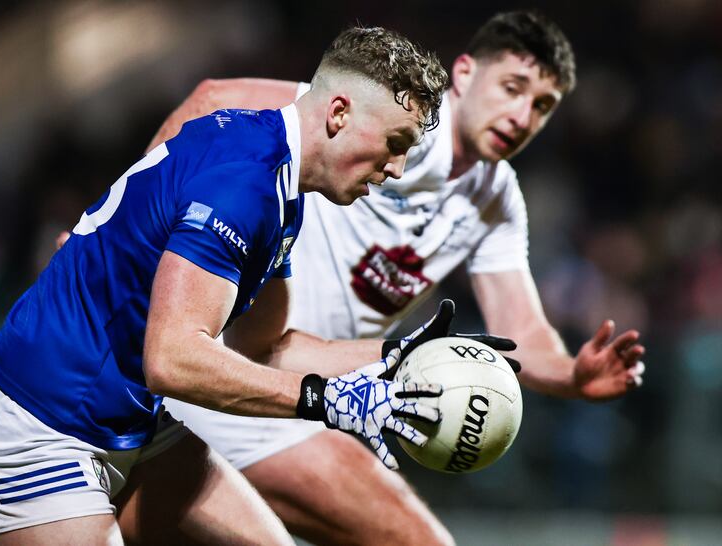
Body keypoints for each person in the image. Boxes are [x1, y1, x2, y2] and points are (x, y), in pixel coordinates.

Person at [136, 10, 647, 546]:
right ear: (466, 74)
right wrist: (124, 221)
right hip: (229, 365)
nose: (521, 115)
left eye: (541, 106)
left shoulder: (496, 198)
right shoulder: (400, 120)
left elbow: (519, 328)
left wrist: (572, 376)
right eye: (513, 88)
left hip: (307, 381)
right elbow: (215, 97)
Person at [0, 27, 455, 545]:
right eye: (396, 144)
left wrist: (394, 358)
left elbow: (263, 349)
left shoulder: (277, 175)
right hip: (37, 426)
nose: (398, 168)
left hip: (128, 421)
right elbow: (172, 359)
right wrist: (321, 400)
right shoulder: (243, 185)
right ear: (339, 113)